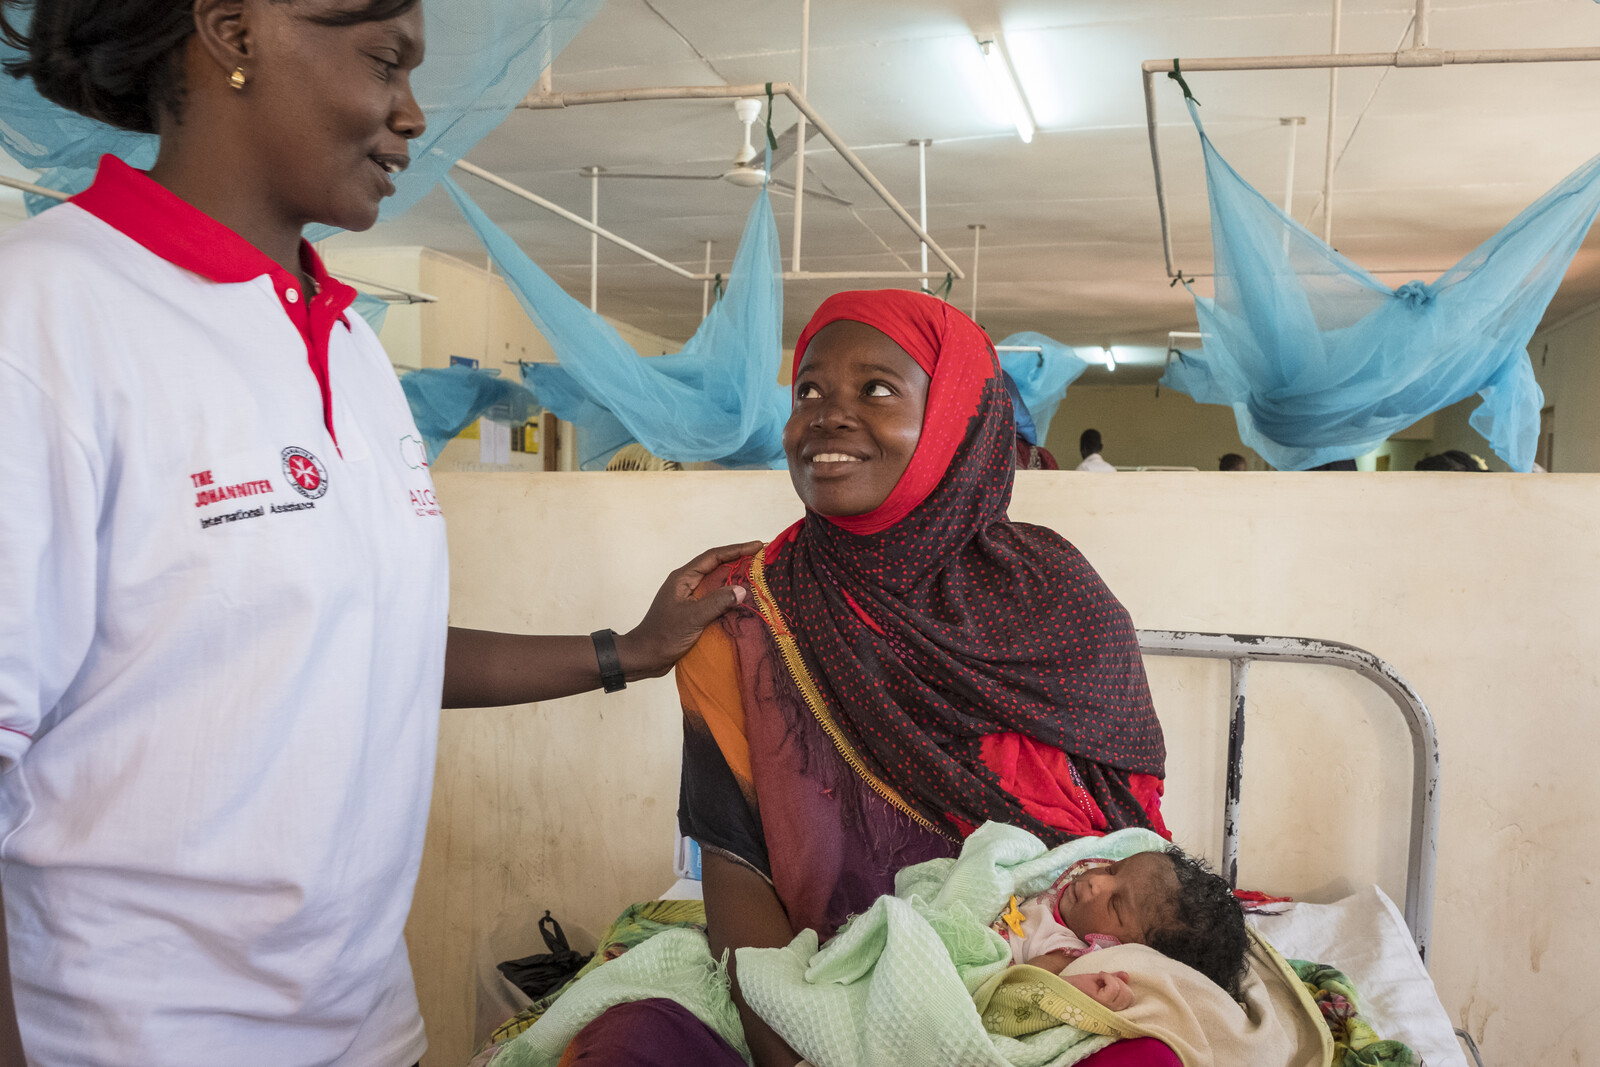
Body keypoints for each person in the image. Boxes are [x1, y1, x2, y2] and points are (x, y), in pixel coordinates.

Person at [0, 2, 755, 1064]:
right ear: (233, 31)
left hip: (364, 1023)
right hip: (133, 1035)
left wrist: (625, 651)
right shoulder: (46, 320)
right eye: (386, 61)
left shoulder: (349, 344)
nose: (411, 114)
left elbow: (368, 648)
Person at [560, 290, 1171, 1067]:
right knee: (626, 1045)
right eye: (808, 391)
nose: (827, 414)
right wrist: (797, 1042)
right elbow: (735, 861)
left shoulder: (1057, 598)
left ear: (955, 416)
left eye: (876, 389)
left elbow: (1127, 847)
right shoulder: (748, 611)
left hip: (1023, 967)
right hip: (815, 970)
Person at [995, 848, 1249, 1006]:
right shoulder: (1080, 881)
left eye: (1115, 906)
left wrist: (1074, 988)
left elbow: (1021, 987)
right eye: (1113, 869)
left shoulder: (1065, 952)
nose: (1098, 881)